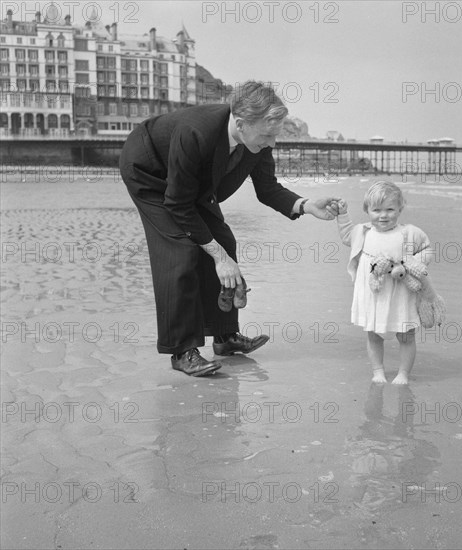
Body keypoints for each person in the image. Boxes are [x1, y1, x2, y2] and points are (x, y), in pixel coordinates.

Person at [119, 81, 339, 377]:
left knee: (223, 239)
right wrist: (218, 257)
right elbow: (178, 203)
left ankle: (224, 337)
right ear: (241, 124)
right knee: (182, 250)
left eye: (274, 135)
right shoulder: (196, 131)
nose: (272, 143)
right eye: (267, 135)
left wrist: (305, 204)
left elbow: (267, 189)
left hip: (190, 185)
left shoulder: (256, 139)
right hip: (150, 172)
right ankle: (182, 351)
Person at [335, 181, 434, 384]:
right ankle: (378, 371)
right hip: (374, 293)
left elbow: (427, 249)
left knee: (406, 335)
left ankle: (403, 374)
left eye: (390, 209)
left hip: (401, 293)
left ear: (400, 209)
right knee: (373, 334)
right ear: (367, 210)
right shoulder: (363, 232)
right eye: (376, 210)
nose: (383, 215)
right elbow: (346, 235)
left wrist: (411, 264)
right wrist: (342, 213)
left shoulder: (409, 233)